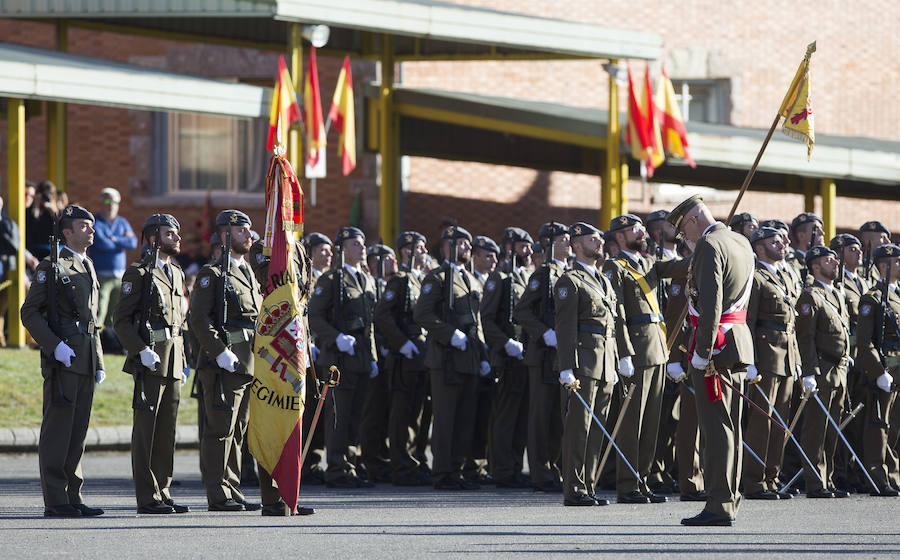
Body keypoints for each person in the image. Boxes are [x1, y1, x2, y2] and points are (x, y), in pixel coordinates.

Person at [667, 195, 755, 526]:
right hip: (739, 341)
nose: (685, 242)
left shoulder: (709, 245)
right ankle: (729, 498)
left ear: (691, 222)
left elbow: (711, 304)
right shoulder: (741, 241)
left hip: (716, 347)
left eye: (683, 233)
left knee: (716, 429)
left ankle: (718, 504)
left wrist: (702, 353)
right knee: (731, 426)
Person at [21, 204, 106, 517]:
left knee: (78, 430)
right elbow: (29, 312)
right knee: (59, 429)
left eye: (92, 225)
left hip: (84, 357)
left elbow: (92, 320)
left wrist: (97, 360)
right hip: (64, 358)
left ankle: (73, 495)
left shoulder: (87, 265)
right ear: (67, 232)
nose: (92, 230)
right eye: (84, 226)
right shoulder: (52, 265)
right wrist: (54, 346)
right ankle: (56, 500)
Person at [113, 214, 190, 514]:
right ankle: (147, 496)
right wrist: (140, 350)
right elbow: (121, 321)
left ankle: (163, 489)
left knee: (166, 429)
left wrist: (182, 360)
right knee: (146, 430)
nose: (177, 238)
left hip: (173, 360)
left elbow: (178, 323)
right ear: (153, 238)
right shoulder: (139, 273)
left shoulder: (177, 273)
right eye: (170, 233)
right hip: (150, 359)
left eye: (177, 232)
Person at [188, 210, 262, 512]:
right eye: (242, 230)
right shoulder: (212, 274)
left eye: (249, 230)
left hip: (247, 362)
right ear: (225, 235)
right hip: (224, 363)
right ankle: (217, 493)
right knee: (220, 429)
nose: (249, 234)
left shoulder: (248, 273)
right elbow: (198, 319)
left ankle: (232, 486)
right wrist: (219, 351)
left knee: (239, 429)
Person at [414, 225, 491, 490]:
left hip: (468, 358)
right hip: (445, 358)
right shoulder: (437, 278)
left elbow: (477, 321)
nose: (470, 249)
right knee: (446, 419)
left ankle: (457, 470)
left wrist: (482, 354)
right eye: (465, 244)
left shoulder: (469, 278)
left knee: (465, 419)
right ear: (449, 246)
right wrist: (449, 335)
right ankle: (442, 473)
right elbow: (422, 314)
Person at [554, 222, 624, 506]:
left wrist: (618, 360)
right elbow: (565, 326)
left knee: (598, 428)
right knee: (579, 427)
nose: (599, 242)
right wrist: (566, 367)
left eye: (599, 238)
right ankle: (574, 488)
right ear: (576, 244)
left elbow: (613, 325)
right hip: (583, 362)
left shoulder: (604, 280)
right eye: (591, 238)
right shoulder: (570, 281)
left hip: (606, 361)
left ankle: (589, 485)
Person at [247, 234, 317, 516]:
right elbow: (273, 286)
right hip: (273, 348)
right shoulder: (263, 247)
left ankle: (291, 494)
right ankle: (270, 498)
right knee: (271, 419)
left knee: (293, 420)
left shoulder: (298, 247)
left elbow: (301, 297)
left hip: (295, 347)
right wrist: (280, 248)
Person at [308, 227, 378, 488]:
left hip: (360, 356)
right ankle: (336, 468)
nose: (362, 248)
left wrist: (372, 358)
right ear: (343, 249)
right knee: (339, 415)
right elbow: (315, 316)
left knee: (356, 415)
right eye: (356, 244)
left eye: (362, 244)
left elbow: (370, 324)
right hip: (338, 358)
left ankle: (351, 464)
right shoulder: (331, 279)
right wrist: (335, 337)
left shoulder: (366, 279)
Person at [742, 227, 802, 500]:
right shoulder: (755, 277)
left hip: (787, 356)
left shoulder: (787, 275)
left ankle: (772, 478)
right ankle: (754, 481)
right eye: (774, 241)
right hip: (765, 357)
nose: (782, 244)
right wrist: (749, 360)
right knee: (761, 422)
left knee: (781, 420)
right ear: (759, 247)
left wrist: (798, 360)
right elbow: (748, 321)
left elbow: (793, 324)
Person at [514, 222, 571, 492]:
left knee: (557, 418)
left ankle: (555, 469)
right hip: (542, 355)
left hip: (560, 356)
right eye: (563, 239)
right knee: (540, 416)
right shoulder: (544, 273)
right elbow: (522, 311)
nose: (569, 242)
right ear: (549, 244)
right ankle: (540, 473)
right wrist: (543, 332)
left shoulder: (566, 271)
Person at [795, 245, 852, 498]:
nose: (836, 262)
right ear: (815, 266)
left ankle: (827, 479)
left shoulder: (836, 294)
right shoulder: (810, 296)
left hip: (839, 369)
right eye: (830, 259)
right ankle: (815, 482)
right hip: (822, 368)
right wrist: (809, 372)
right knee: (816, 428)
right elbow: (805, 338)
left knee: (832, 428)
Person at [375, 231, 432, 486]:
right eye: (420, 247)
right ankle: (401, 465)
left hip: (419, 356)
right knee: (402, 413)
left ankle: (413, 461)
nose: (424, 251)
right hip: (403, 357)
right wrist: (402, 343)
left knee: (416, 412)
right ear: (407, 251)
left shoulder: (419, 280)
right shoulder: (399, 281)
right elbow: (383, 316)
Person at [481, 227, 533, 488]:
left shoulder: (523, 277)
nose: (529, 251)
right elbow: (488, 320)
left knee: (521, 415)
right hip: (506, 358)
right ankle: (501, 469)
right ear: (510, 247)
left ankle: (514, 465)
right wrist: (505, 343)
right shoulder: (499, 278)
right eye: (524, 246)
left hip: (524, 357)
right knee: (505, 416)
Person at [855, 243, 900, 497]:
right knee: (878, 424)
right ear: (885, 265)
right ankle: (877, 477)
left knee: (894, 425)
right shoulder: (872, 297)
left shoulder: (897, 294)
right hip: (885, 367)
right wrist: (878, 371)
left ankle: (893, 474)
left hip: (898, 365)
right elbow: (864, 341)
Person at [360, 242, 398, 483]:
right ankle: (370, 461)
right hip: (373, 354)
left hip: (390, 356)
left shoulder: (390, 285)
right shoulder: (368, 284)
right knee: (371, 412)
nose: (392, 263)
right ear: (374, 263)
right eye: (386, 259)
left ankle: (382, 458)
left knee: (386, 411)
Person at [466, 235, 501, 484]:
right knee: (471, 414)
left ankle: (481, 464)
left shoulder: (493, 281)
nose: (493, 260)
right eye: (488, 255)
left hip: (492, 353)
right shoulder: (468, 280)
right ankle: (469, 465)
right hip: (473, 354)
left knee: (487, 415)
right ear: (475, 256)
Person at [89, 187, 138, 329]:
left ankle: (111, 342)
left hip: (119, 276)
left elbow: (133, 243)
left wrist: (114, 239)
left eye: (114, 202)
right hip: (101, 276)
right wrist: (121, 241)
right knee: (100, 311)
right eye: (107, 201)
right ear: (101, 202)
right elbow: (102, 244)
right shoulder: (96, 222)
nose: (111, 205)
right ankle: (95, 340)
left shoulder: (122, 222)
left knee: (116, 312)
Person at [25, 180, 60, 261]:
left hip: (51, 249)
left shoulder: (56, 210)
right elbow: (30, 227)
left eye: (50, 194)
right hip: (34, 249)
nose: (47, 197)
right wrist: (36, 207)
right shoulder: (31, 209)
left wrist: (54, 212)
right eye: (44, 195)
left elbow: (61, 229)